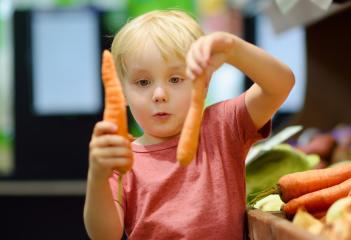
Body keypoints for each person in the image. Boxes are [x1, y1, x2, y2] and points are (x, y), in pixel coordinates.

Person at [83, 10, 294, 240]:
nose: (159, 94)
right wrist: (97, 176)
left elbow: (281, 85)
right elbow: (104, 235)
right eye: (143, 82)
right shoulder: (122, 159)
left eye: (175, 79)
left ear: (203, 84)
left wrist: (234, 50)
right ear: (124, 92)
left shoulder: (223, 126)